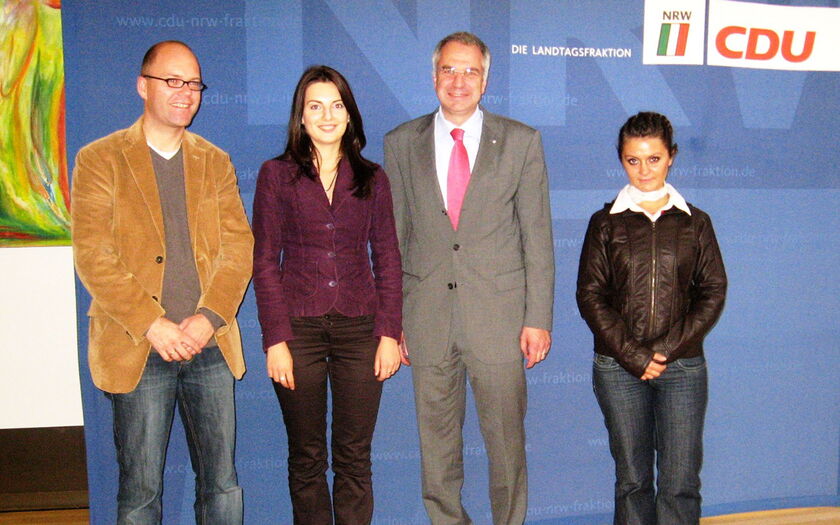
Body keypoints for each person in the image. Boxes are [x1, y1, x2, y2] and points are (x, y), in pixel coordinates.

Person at [71, 41, 253, 524]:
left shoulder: (215, 161)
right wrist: (153, 324)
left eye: (193, 83)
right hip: (138, 346)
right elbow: (93, 255)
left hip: (209, 345)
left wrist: (208, 318)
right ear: (142, 85)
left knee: (222, 485)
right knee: (140, 492)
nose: (185, 92)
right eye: (173, 81)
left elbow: (239, 248)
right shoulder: (100, 158)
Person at [384, 32, 555, 524]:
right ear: (434, 76)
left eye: (470, 71)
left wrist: (537, 318)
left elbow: (537, 240)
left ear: (486, 80)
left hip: (500, 322)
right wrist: (393, 322)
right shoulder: (400, 143)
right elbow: (393, 239)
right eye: (449, 70)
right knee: (436, 449)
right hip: (426, 320)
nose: (458, 81)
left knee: (505, 445)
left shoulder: (521, 142)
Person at [252, 65, 402, 525]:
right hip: (299, 331)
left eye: (336, 105)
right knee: (307, 456)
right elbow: (264, 261)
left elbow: (389, 259)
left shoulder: (372, 178)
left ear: (350, 115)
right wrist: (275, 338)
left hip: (361, 329)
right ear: (300, 117)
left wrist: (389, 334)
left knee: (355, 457)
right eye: (314, 106)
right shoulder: (276, 176)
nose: (326, 115)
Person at [576, 112, 727, 525]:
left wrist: (660, 352)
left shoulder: (696, 223)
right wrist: (633, 355)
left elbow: (712, 292)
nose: (644, 170)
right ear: (622, 160)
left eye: (653, 159)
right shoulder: (604, 223)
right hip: (617, 368)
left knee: (680, 481)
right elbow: (590, 296)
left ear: (671, 157)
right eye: (633, 160)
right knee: (633, 480)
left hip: (683, 367)